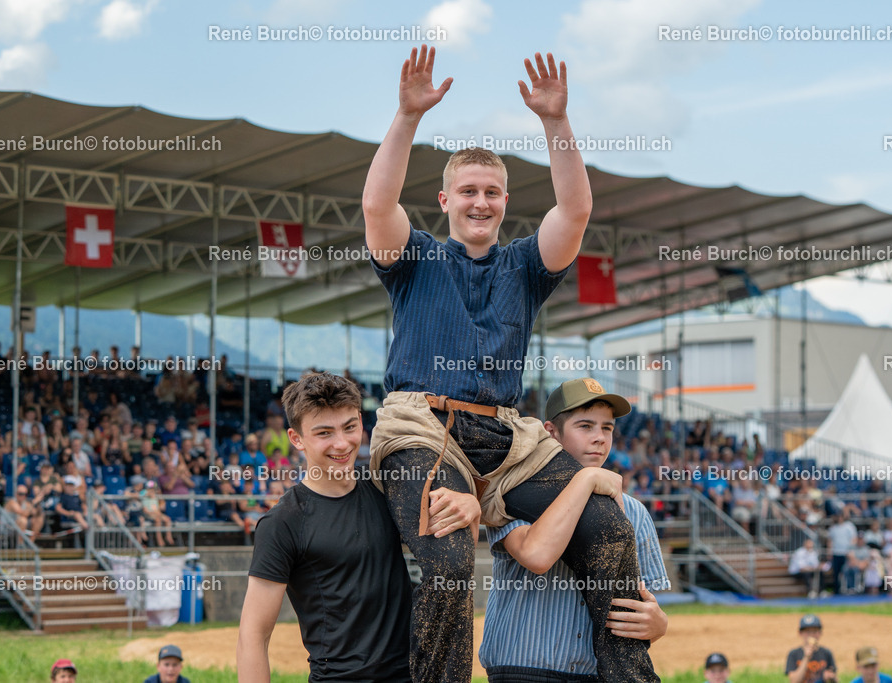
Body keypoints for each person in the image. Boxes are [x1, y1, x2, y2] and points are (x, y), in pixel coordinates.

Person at [363, 44, 655, 683]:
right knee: (446, 563)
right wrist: (408, 116)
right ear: (444, 201)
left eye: (492, 192)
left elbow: (575, 211)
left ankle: (631, 675)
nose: (480, 202)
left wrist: (556, 122)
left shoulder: (524, 264)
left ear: (503, 201)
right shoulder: (415, 259)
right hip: (421, 428)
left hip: (508, 437)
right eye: (468, 191)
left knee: (606, 523)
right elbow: (377, 207)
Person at [237, 372, 481, 682]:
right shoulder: (282, 523)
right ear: (296, 438)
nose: (342, 443)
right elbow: (253, 635)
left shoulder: (388, 491)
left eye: (350, 427)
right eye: (324, 432)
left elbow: (452, 564)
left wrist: (472, 509)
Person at [480, 379, 670, 682]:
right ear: (550, 432)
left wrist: (658, 624)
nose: (599, 438)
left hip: (594, 673)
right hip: (523, 668)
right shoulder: (513, 492)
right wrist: (586, 479)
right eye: (585, 426)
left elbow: (638, 600)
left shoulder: (634, 511)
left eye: (607, 428)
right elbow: (537, 554)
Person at [785, 614, 837, 683]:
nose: (811, 635)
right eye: (808, 632)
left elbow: (835, 679)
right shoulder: (794, 654)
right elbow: (794, 680)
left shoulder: (826, 653)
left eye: (815, 631)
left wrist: (830, 677)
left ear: (820, 633)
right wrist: (806, 657)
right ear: (800, 633)